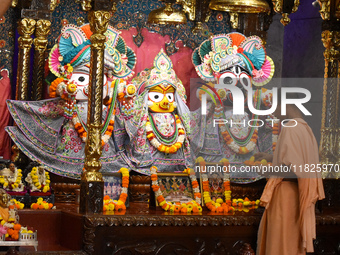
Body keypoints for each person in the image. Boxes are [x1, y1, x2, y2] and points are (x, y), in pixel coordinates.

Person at [255, 92, 325, 255]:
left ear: (285, 105)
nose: (273, 111)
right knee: (292, 246)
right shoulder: (306, 129)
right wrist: (272, 157)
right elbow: (300, 161)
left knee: (280, 246)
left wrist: (268, 169)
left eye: (275, 106)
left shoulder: (290, 129)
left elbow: (293, 170)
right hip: (296, 198)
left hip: (286, 197)